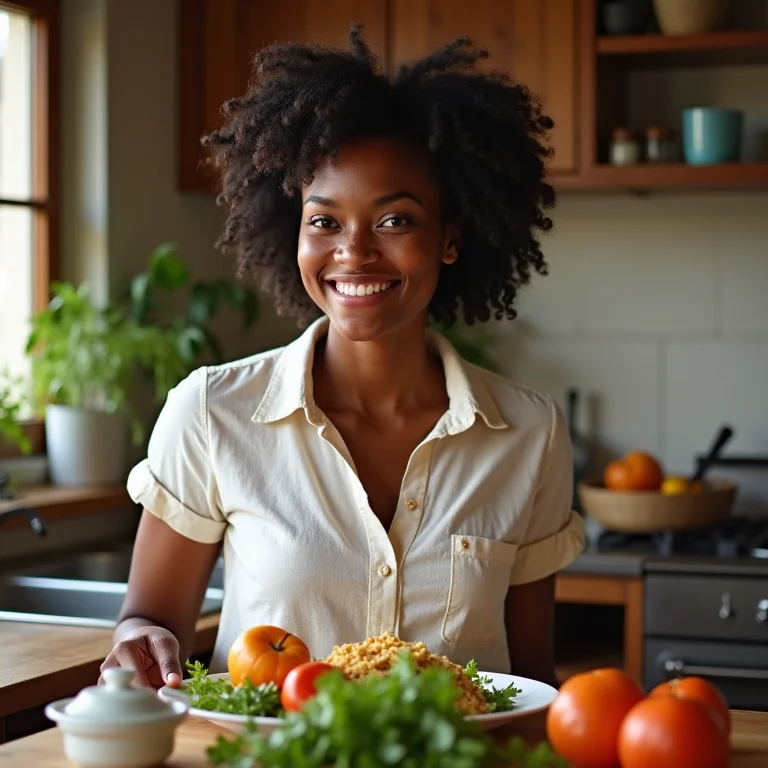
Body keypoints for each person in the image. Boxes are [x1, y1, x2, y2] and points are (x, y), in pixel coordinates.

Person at [100, 25, 585, 691]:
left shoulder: (529, 434)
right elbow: (147, 621)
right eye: (324, 222)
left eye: (395, 221)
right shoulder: (214, 413)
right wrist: (139, 641)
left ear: (450, 238)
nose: (353, 253)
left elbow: (529, 679)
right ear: (292, 232)